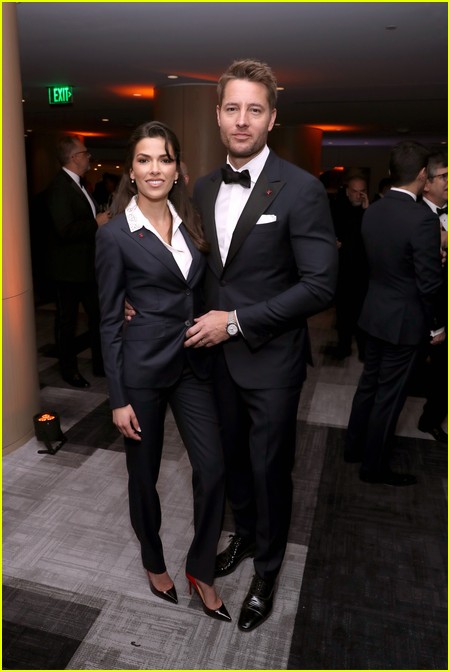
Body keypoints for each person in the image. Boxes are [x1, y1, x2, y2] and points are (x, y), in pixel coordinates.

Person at [183, 59, 338, 631]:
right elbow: (203, 271)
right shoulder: (201, 186)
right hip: (213, 360)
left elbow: (320, 285)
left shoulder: (301, 188)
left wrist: (239, 321)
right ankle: (244, 535)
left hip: (271, 360)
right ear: (218, 115)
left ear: (272, 117)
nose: (242, 120)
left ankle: (268, 568)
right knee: (230, 464)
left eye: (254, 109)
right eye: (232, 108)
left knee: (271, 468)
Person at [96, 121, 230, 622]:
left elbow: (198, 287)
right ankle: (153, 560)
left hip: (193, 364)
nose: (155, 169)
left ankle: (201, 568)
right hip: (142, 374)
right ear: (131, 170)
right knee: (142, 477)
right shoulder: (114, 234)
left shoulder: (192, 217)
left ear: (177, 168)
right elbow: (109, 320)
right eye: (145, 160)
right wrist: (117, 397)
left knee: (213, 468)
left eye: (164, 159)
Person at [344, 141, 443, 485]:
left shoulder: (374, 210)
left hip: (373, 312)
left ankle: (353, 447)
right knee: (390, 396)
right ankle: (373, 467)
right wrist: (438, 325)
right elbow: (429, 284)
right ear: (421, 175)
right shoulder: (421, 219)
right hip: (405, 321)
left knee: (369, 385)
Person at [45, 134, 110, 387]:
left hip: (88, 268)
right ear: (74, 158)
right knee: (67, 323)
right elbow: (65, 230)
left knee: (98, 318)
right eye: (85, 153)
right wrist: (96, 223)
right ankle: (68, 370)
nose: (88, 157)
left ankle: (101, 365)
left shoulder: (81, 184)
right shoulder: (60, 187)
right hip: (68, 271)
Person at [417, 151, 448, 442]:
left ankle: (431, 419)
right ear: (426, 182)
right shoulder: (414, 216)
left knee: (443, 376)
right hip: (424, 312)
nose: (449, 182)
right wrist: (435, 324)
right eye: (444, 176)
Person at [331, 173, 370, 360]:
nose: (358, 195)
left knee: (364, 314)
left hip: (365, 273)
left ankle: (364, 351)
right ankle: (343, 346)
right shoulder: (337, 209)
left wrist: (366, 210)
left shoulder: (370, 212)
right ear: (347, 192)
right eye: (355, 191)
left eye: (362, 191)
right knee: (343, 314)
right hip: (342, 272)